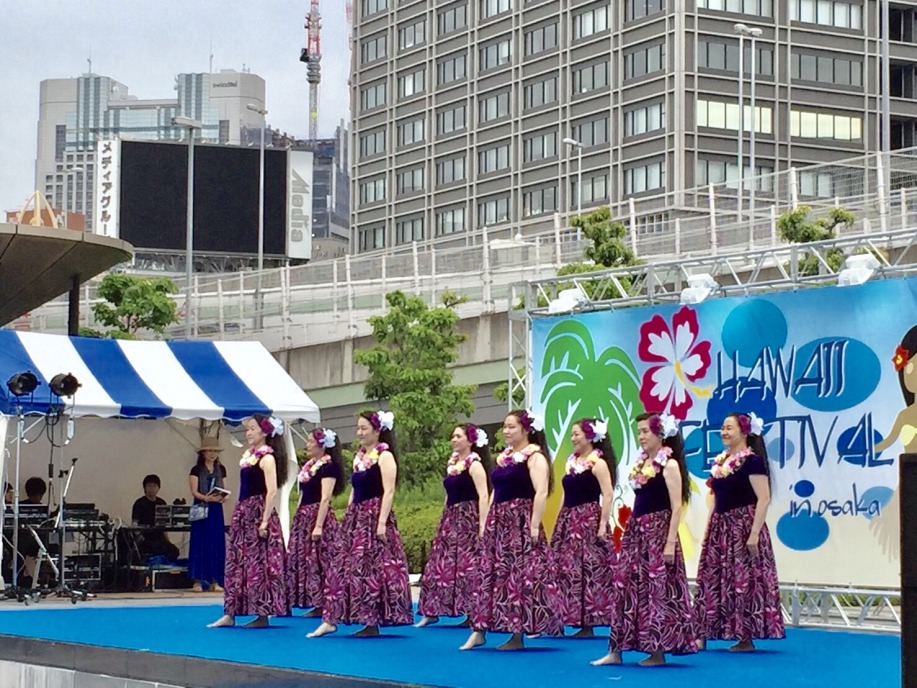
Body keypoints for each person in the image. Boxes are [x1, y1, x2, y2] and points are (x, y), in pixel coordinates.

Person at [592, 412, 696, 667]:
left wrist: (669, 542)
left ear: (660, 434)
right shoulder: (641, 464)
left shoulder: (669, 465)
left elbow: (676, 506)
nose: (641, 436)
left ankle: (657, 651)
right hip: (637, 530)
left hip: (658, 533)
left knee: (656, 590)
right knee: (625, 587)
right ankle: (616, 650)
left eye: (645, 431)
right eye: (638, 432)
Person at [461, 410, 563, 651]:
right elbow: (495, 490)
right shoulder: (505, 457)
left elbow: (541, 492)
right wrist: (486, 521)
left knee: (519, 577)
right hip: (499, 521)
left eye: (511, 427)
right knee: (489, 574)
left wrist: (534, 524)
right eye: (504, 427)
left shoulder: (535, 457)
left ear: (526, 429)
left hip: (520, 521)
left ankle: (517, 634)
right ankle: (479, 629)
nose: (506, 431)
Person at [308, 410, 413, 638]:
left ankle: (371, 620)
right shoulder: (360, 457)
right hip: (357, 518)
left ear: (377, 431)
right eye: (358, 428)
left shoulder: (385, 456)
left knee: (373, 569)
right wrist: (349, 513)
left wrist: (382, 522)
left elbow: (389, 490)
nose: (359, 433)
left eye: (364, 428)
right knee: (342, 566)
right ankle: (331, 618)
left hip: (374, 516)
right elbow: (355, 489)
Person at [692, 412, 785, 651]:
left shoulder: (752, 461)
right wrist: (710, 525)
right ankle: (702, 633)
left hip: (743, 526)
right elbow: (716, 496)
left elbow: (764, 498)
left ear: (744, 432)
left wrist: (754, 533)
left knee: (743, 581)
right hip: (721, 526)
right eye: (723, 427)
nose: (723, 432)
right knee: (711, 579)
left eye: (729, 428)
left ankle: (745, 636)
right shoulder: (720, 462)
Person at [208, 415, 290, 628]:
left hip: (258, 512)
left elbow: (272, 491)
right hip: (244, 511)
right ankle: (230, 612)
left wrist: (264, 521)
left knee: (259, 564)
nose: (249, 433)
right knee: (236, 562)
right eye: (248, 429)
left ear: (264, 432)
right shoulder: (249, 456)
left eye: (253, 429)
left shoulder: (267, 458)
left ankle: (262, 614)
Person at [415, 423, 492, 628]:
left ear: (470, 440)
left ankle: (471, 612)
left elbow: (484, 495)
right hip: (451, 518)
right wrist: (444, 514)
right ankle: (432, 610)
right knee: (440, 563)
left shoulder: (474, 465)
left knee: (468, 565)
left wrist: (483, 524)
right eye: (453, 436)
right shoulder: (453, 464)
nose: (454, 440)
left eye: (459, 436)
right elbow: (449, 494)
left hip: (468, 518)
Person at [552, 417, 616, 638]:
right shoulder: (571, 462)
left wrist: (602, 524)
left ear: (590, 436)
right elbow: (565, 494)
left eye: (576, 434)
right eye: (571, 434)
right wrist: (559, 518)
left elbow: (608, 494)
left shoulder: (598, 463)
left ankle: (588, 622)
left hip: (588, 519)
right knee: (568, 569)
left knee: (588, 570)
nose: (573, 438)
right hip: (569, 519)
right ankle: (568, 616)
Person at [286, 426, 344, 616]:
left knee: (320, 559)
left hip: (318, 515)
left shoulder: (328, 467)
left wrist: (318, 525)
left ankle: (325, 602)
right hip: (304, 516)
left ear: (322, 445)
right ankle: (314, 601)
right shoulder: (309, 466)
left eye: (311, 441)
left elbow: (325, 497)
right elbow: (304, 493)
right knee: (305, 559)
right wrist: (298, 515)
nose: (307, 445)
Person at [188, 436, 228, 593]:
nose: (212, 454)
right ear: (203, 453)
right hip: (201, 507)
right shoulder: (196, 470)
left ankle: (215, 580)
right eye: (209, 450)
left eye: (215, 451)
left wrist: (223, 497)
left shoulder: (221, 469)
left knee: (215, 543)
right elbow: (194, 491)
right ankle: (197, 580)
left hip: (215, 509)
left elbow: (225, 488)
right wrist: (206, 498)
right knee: (200, 542)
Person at [131, 474, 180, 562]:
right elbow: (134, 525)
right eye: (149, 486)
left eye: (154, 486)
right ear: (144, 488)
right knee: (155, 549)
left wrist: (168, 540)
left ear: (158, 488)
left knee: (174, 551)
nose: (152, 488)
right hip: (145, 538)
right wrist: (140, 537)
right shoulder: (139, 503)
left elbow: (164, 525)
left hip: (159, 537)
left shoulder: (162, 503)